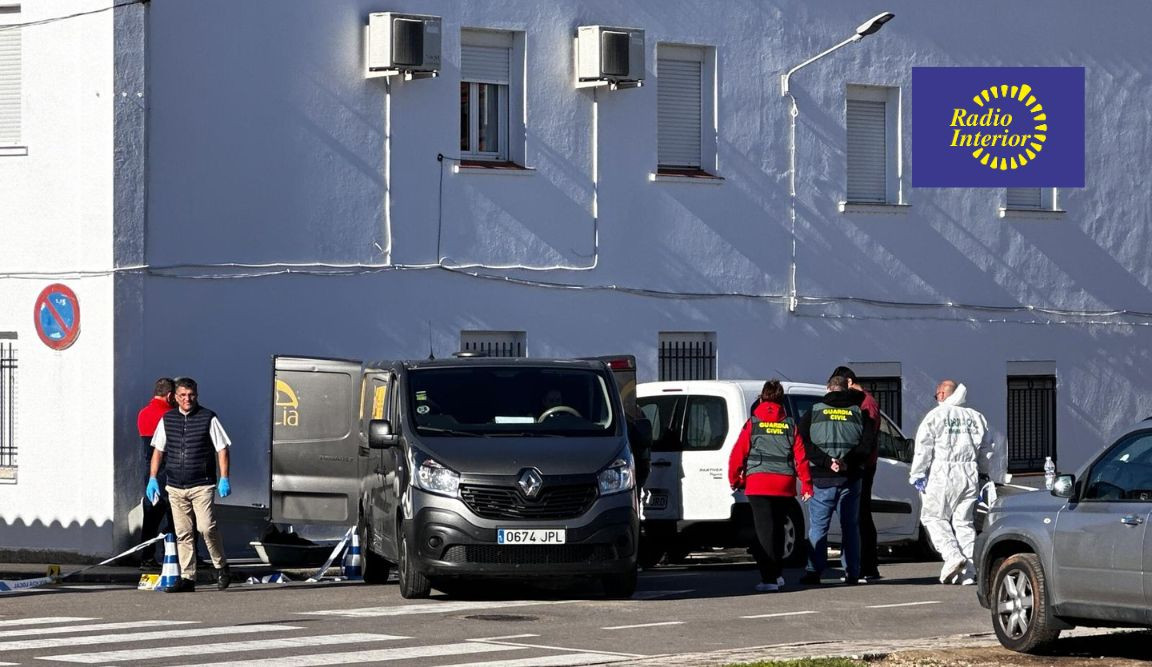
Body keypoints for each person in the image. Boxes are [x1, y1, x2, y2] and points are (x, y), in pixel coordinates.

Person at [909, 380, 1004, 585]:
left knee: (934, 518)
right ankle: (970, 571)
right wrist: (982, 473)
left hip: (942, 473)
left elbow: (923, 448)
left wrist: (917, 474)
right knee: (964, 522)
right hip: (969, 474)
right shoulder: (976, 417)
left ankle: (953, 556)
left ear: (942, 393)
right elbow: (987, 451)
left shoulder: (936, 416)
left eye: (937, 395)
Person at [146, 377, 233, 592]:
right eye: (183, 395)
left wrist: (224, 477)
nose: (188, 399)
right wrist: (153, 478)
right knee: (183, 533)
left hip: (201, 484)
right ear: (175, 397)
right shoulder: (167, 420)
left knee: (206, 528)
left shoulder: (208, 418)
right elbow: (158, 450)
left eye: (191, 395)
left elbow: (222, 448)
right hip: (175, 485)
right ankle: (187, 577)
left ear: (197, 395)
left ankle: (221, 566)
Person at [728, 380, 812, 592]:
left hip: (758, 484)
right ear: (781, 399)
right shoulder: (790, 425)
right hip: (784, 485)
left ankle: (769, 579)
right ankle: (778, 574)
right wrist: (807, 485)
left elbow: (738, 454)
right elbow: (801, 457)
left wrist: (735, 480)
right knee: (779, 529)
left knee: (764, 531)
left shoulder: (753, 423)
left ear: (762, 397)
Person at [797, 375, 875, 585]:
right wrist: (846, 462)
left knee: (818, 527)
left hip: (821, 478)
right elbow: (867, 446)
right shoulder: (859, 413)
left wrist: (825, 461)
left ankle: (814, 571)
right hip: (850, 478)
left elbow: (801, 442)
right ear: (845, 389)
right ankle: (852, 572)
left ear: (828, 388)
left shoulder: (814, 411)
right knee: (850, 527)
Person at [830, 366, 882, 581]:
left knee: (861, 516)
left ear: (850, 382)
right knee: (859, 515)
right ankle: (865, 565)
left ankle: (867, 566)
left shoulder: (866, 403)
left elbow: (866, 436)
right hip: (859, 463)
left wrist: (854, 459)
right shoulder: (861, 401)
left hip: (864, 465)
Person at [135, 378, 175, 569]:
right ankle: (175, 557)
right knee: (176, 517)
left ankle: (147, 557)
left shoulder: (143, 413)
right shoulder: (170, 415)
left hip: (150, 473)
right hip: (168, 470)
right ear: (169, 395)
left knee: (150, 517)